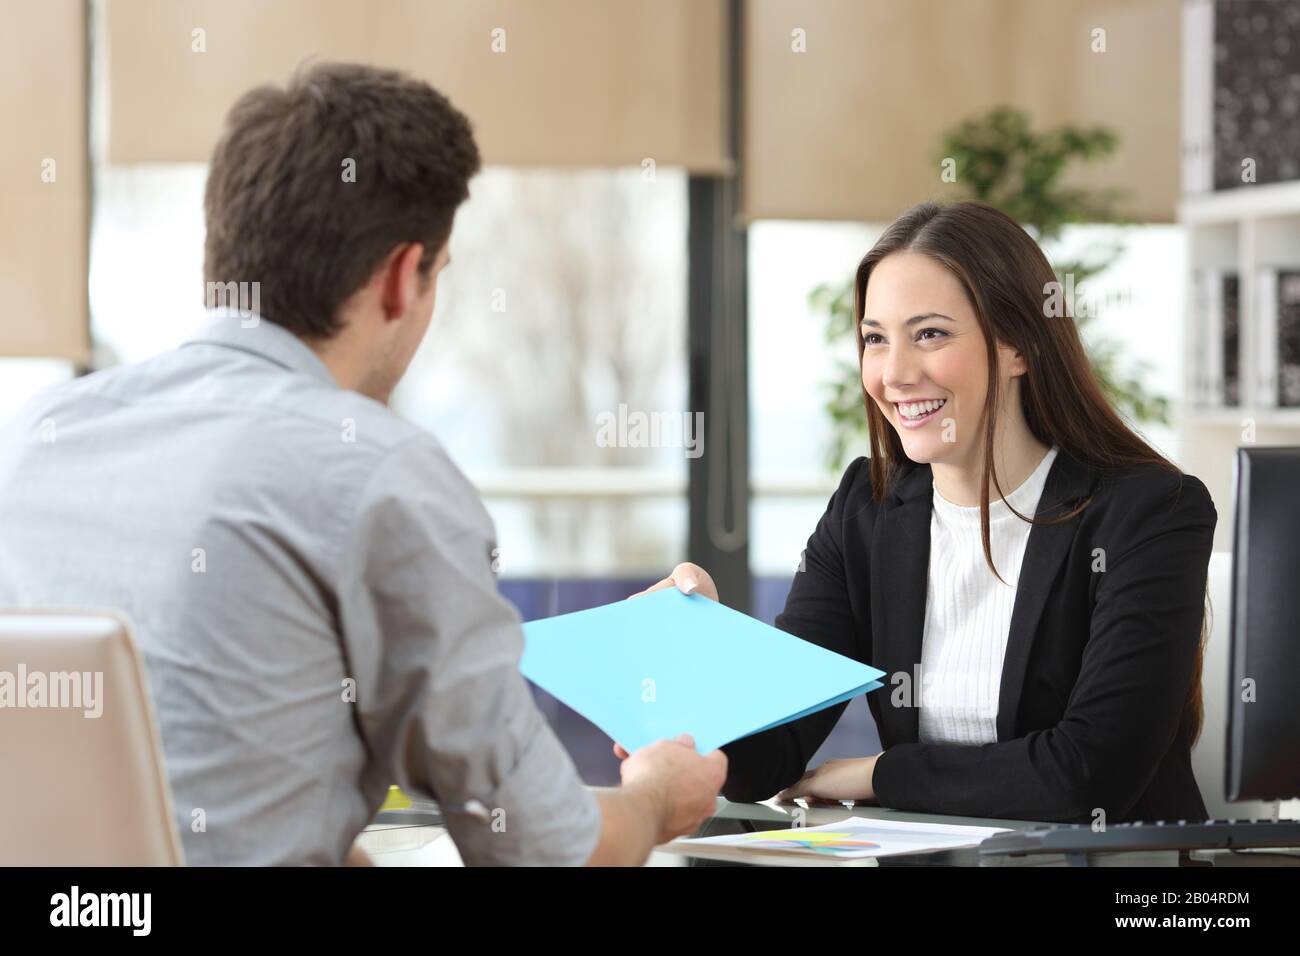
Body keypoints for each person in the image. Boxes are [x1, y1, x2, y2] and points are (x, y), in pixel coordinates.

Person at [0, 61, 725, 865]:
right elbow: (544, 851)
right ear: (398, 278)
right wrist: (656, 794)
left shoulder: (39, 437)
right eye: (437, 278)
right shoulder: (380, 474)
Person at [627, 200, 1216, 826]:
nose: (895, 373)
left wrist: (880, 773)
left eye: (930, 334)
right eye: (875, 339)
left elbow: (1087, 776)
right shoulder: (868, 509)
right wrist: (694, 656)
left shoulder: (1149, 512)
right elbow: (762, 761)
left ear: (1020, 347)